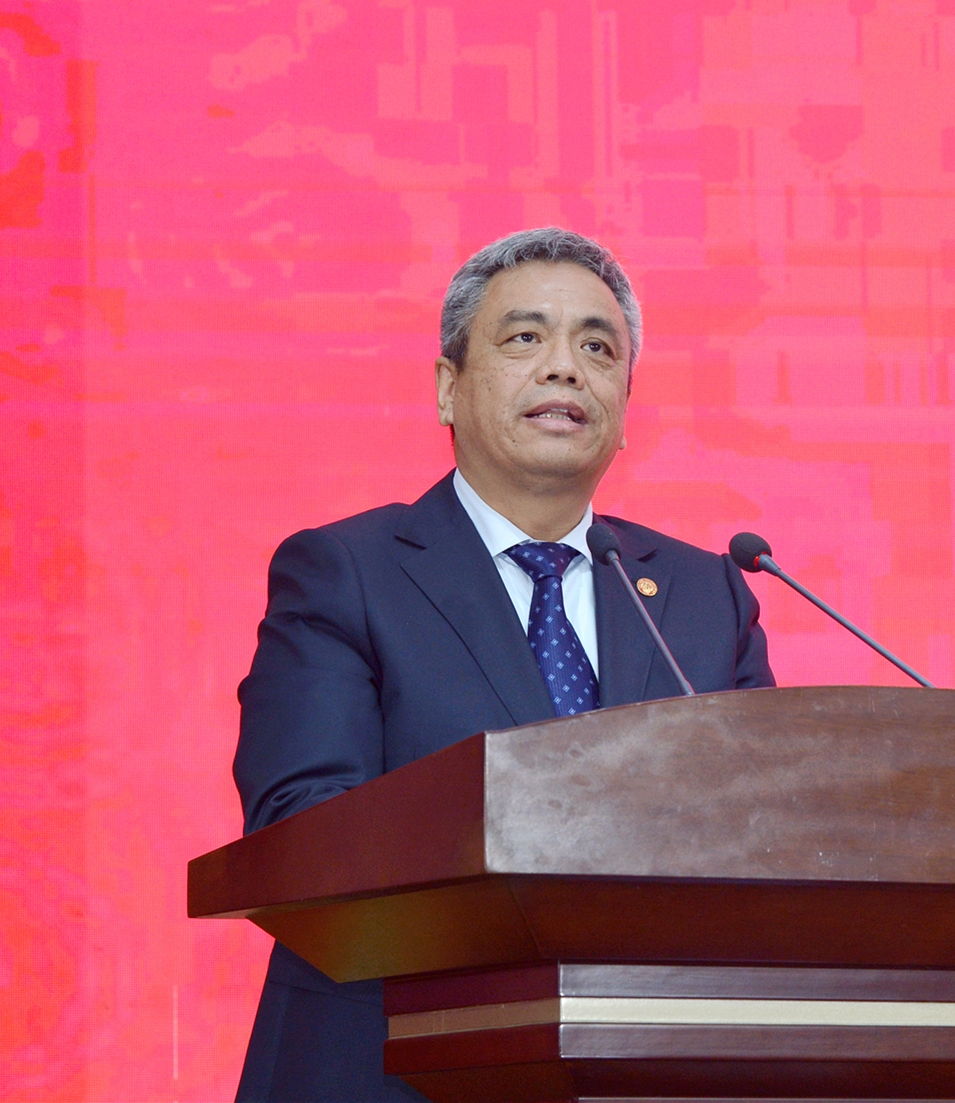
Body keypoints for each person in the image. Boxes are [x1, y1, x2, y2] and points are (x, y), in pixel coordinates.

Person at [231, 228, 774, 1101]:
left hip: (645, 1069)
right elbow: (303, 829)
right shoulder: (346, 573)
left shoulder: (705, 595)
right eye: (525, 337)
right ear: (448, 388)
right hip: (394, 1066)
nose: (564, 367)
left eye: (597, 349)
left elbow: (770, 835)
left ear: (624, 406)